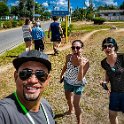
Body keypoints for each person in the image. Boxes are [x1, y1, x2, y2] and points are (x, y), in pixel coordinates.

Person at [0, 50, 55, 124]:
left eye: (40, 74)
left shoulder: (45, 105)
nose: (33, 80)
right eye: (25, 73)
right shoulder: (3, 112)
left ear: (47, 80)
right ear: (16, 77)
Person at [60, 40, 89, 124]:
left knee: (76, 104)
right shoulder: (68, 57)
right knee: (68, 98)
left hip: (78, 84)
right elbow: (65, 66)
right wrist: (61, 75)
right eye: (73, 47)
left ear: (82, 49)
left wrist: (80, 66)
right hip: (67, 80)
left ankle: (79, 122)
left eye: (78, 48)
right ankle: (70, 110)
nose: (75, 50)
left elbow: (80, 78)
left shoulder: (86, 62)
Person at [100, 37, 124, 124]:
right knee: (112, 115)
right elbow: (108, 75)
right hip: (115, 93)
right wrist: (105, 82)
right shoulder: (104, 63)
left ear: (115, 47)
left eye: (110, 46)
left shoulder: (122, 58)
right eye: (105, 46)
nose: (107, 48)